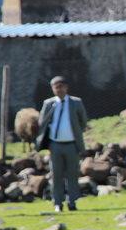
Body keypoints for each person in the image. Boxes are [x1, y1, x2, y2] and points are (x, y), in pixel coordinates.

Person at [36, 76, 88, 212]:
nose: (59, 89)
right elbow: (42, 122)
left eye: (61, 86)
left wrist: (74, 133)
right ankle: (58, 203)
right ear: (52, 89)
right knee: (56, 175)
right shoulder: (49, 103)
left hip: (71, 144)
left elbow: (83, 122)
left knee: (72, 174)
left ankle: (72, 202)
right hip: (55, 145)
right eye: (55, 87)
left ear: (66, 87)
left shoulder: (76, 102)